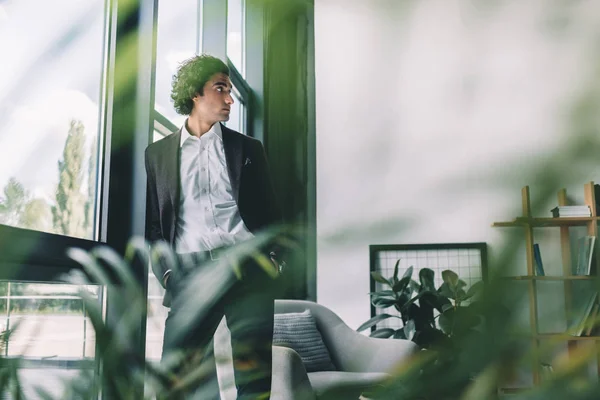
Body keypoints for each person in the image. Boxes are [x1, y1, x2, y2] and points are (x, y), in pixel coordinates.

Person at [144, 54, 282, 399]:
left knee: (255, 380)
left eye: (230, 90)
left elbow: (272, 212)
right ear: (195, 94)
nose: (229, 99)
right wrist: (167, 274)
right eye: (220, 88)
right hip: (190, 270)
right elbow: (155, 224)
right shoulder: (157, 155)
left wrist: (274, 260)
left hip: (248, 265)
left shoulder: (248, 149)